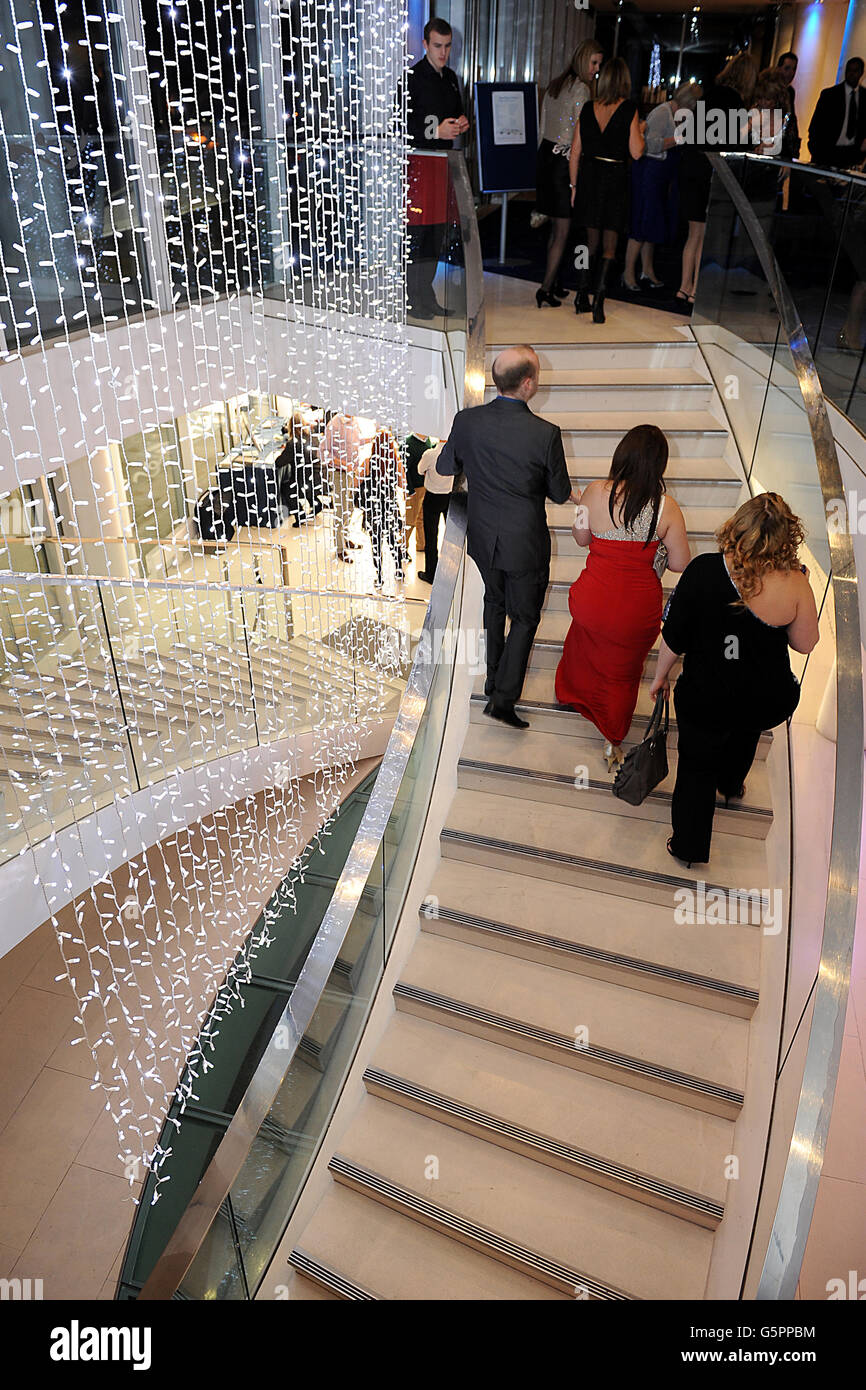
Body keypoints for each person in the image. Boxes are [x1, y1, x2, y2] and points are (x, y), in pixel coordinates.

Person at [650, 492, 819, 866]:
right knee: (744, 735)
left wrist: (660, 678)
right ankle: (730, 784)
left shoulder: (703, 571)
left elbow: (673, 637)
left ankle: (689, 847)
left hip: (706, 695)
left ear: (737, 526)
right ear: (786, 537)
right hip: (762, 697)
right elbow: (805, 644)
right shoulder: (796, 584)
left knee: (695, 766)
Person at [436, 344, 572, 728]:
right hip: (524, 542)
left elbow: (447, 465)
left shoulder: (467, 421)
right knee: (525, 617)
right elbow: (559, 493)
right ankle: (502, 699)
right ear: (528, 384)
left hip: (481, 537)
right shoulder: (545, 434)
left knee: (494, 601)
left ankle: (494, 677)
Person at [554, 425, 690, 772]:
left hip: (591, 599)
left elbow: (581, 538)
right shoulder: (667, 508)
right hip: (635, 610)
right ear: (659, 465)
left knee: (583, 646)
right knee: (623, 675)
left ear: (621, 455)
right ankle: (612, 737)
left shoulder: (593, 493)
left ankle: (571, 695)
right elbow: (679, 564)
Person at [569, 57, 645, 323]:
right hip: (614, 181)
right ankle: (599, 299)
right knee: (610, 247)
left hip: (589, 179)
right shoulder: (629, 109)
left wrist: (574, 186)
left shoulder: (588, 107)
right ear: (624, 80)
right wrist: (641, 132)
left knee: (589, 243)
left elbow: (574, 152)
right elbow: (637, 152)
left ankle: (581, 293)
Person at [405, 18, 469, 320]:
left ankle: (425, 293)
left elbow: (454, 113)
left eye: (447, 47)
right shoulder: (413, 78)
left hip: (442, 165)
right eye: (438, 46)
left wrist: (460, 123)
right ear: (425, 45)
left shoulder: (451, 78)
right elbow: (401, 124)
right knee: (418, 234)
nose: (443, 53)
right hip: (419, 167)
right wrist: (436, 131)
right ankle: (414, 296)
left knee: (436, 234)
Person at [535, 38, 603, 307]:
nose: (596, 69)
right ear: (583, 58)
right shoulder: (581, 90)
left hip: (546, 158)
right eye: (594, 62)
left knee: (556, 228)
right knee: (563, 230)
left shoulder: (556, 83)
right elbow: (580, 134)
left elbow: (543, 127)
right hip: (564, 162)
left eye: (599, 64)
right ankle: (545, 288)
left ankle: (555, 283)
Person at [623, 89, 683, 292]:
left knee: (652, 224)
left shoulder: (672, 113)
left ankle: (646, 270)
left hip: (658, 175)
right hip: (648, 174)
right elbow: (650, 145)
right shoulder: (662, 112)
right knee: (641, 223)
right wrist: (678, 139)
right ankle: (628, 273)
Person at [360, 428, 406, 590]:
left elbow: (356, 483)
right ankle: (399, 570)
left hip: (373, 509)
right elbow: (403, 484)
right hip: (389, 507)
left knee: (376, 543)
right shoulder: (395, 463)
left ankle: (379, 577)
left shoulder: (367, 462)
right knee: (393, 540)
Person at [320, 410, 364, 562]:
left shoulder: (354, 420)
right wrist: (344, 464)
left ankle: (345, 538)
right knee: (341, 511)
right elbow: (323, 453)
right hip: (340, 473)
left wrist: (371, 439)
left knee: (350, 508)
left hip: (352, 473)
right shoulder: (334, 424)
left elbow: (356, 441)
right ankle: (340, 549)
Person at [808, 57, 866, 170]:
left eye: (856, 71)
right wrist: (816, 150)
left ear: (861, 73)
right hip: (828, 152)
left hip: (852, 154)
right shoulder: (830, 95)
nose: (852, 74)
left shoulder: (864, 97)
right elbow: (815, 126)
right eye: (849, 70)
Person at [417, 438, 453, 582]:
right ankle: (450, 573)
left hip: (432, 497)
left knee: (431, 536)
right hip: (450, 496)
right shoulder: (455, 453)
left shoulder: (430, 454)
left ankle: (431, 573)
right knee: (451, 537)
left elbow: (420, 470)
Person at [402, 430, 430, 557]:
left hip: (426, 486)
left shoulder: (427, 441)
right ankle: (402, 546)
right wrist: (409, 489)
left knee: (421, 518)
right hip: (414, 488)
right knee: (410, 519)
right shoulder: (408, 444)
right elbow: (404, 469)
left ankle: (421, 545)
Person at [776, 51, 800, 161]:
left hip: (784, 144)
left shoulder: (790, 91)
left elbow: (789, 117)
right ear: (778, 68)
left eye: (794, 69)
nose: (791, 73)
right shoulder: (771, 90)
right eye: (787, 68)